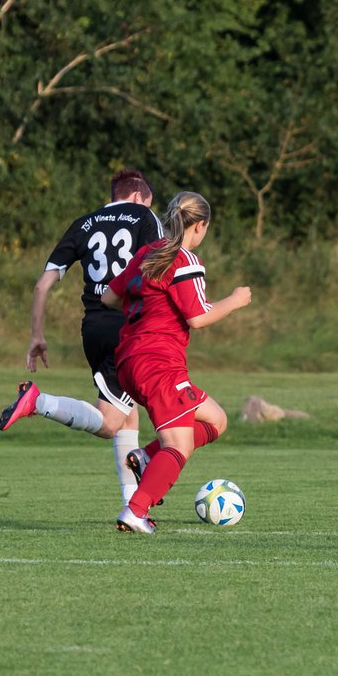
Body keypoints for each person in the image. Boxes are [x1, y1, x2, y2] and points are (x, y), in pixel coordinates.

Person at [0, 168, 162, 504]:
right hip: (128, 327)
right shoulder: (145, 216)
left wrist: (36, 336)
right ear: (137, 196)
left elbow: (42, 284)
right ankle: (39, 402)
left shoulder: (84, 223)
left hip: (93, 328)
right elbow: (156, 268)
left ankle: (135, 506)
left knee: (128, 412)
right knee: (108, 423)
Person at [100, 191, 251, 533]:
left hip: (129, 362)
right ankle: (136, 510)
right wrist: (235, 300)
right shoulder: (185, 261)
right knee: (179, 445)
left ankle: (147, 457)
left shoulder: (146, 254)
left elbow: (109, 296)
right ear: (200, 226)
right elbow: (198, 317)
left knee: (216, 420)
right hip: (159, 364)